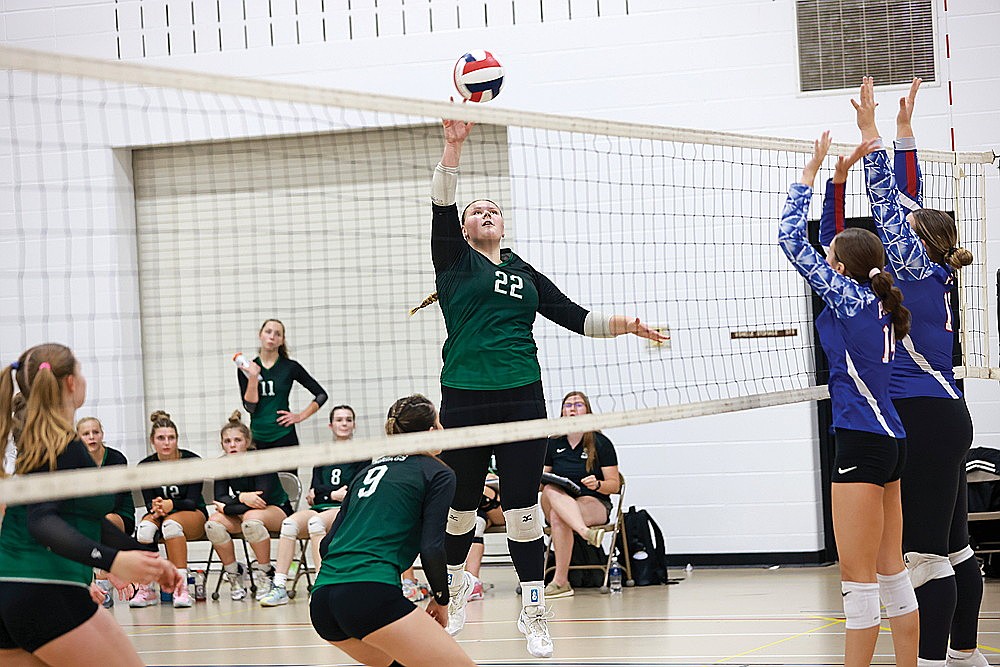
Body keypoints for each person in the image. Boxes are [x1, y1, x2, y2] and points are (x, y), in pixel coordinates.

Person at [417, 112, 667, 658]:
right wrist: (452, 147)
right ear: (464, 229)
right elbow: (440, 204)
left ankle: (533, 608)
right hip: (465, 394)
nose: (486, 213)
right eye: (476, 211)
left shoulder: (523, 271)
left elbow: (573, 315)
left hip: (522, 395)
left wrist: (625, 325)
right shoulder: (454, 264)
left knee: (523, 508)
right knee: (462, 508)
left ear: (503, 225)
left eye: (494, 209)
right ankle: (456, 593)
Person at [851, 76, 983, 667]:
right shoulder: (934, 269)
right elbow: (907, 205)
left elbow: (887, 199)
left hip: (925, 419)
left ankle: (931, 663)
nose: (890, 228)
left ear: (911, 241)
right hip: (948, 413)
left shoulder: (911, 267)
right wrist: (906, 134)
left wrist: (873, 134)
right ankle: (966, 655)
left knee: (926, 559)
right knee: (954, 553)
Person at [779, 132, 918, 667]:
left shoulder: (851, 298)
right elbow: (837, 242)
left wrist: (809, 175)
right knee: (892, 572)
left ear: (837, 268)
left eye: (830, 255)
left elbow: (793, 240)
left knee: (858, 582)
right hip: (890, 443)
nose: (825, 254)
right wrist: (840, 183)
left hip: (861, 444)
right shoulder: (877, 298)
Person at [0, 344, 181, 666]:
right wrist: (112, 562)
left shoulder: (41, 441)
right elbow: (42, 521)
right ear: (71, 382)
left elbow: (82, 519)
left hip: (13, 590)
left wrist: (145, 559)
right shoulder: (63, 446)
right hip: (46, 589)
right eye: (80, 371)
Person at [309, 394, 475, 667]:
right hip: (370, 594)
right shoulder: (437, 472)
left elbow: (327, 544)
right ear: (432, 431)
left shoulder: (367, 472)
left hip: (323, 602)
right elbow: (431, 547)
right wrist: (442, 599)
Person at [260, 405, 368, 607]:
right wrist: (331, 494)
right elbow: (314, 490)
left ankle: (321, 587)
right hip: (322, 506)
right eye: (339, 420)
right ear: (331, 425)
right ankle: (280, 585)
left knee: (316, 523)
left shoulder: (362, 454)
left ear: (354, 425)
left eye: (348, 419)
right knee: (289, 524)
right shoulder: (322, 454)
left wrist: (326, 494)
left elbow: (355, 491)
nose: (344, 423)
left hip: (346, 510)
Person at [205, 411, 292, 602]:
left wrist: (230, 505)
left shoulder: (260, 460)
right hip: (245, 512)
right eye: (227, 441)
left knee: (252, 520)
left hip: (276, 510)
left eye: (237, 440)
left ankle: (265, 574)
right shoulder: (222, 465)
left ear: (247, 442)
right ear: (222, 445)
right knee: (213, 523)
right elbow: (219, 498)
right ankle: (234, 573)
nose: (233, 445)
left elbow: (262, 499)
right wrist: (242, 498)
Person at [541, 391, 621, 599]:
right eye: (568, 405)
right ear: (562, 412)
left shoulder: (601, 443)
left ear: (587, 411)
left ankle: (561, 582)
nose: (573, 409)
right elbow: (541, 481)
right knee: (550, 489)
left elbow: (614, 485)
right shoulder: (553, 443)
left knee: (560, 518)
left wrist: (598, 484)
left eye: (578, 405)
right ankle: (586, 534)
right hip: (557, 497)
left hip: (591, 500)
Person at [132, 410, 209, 609]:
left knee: (171, 525)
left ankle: (181, 588)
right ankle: (145, 589)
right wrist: (156, 507)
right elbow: (149, 502)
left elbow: (192, 501)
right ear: (152, 441)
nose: (166, 443)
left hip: (193, 515)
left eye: (171, 438)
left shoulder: (191, 462)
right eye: (161, 438)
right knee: (145, 529)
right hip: (162, 515)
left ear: (177, 440)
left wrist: (171, 505)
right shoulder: (145, 466)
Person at [237, 319, 328, 452]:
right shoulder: (247, 368)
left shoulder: (290, 367)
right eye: (268, 332)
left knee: (287, 474)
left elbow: (321, 395)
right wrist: (253, 376)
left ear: (282, 340)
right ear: (260, 335)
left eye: (277, 334)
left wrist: (300, 416)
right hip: (258, 437)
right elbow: (250, 407)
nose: (272, 336)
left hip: (284, 436)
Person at [76, 417, 135, 608]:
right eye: (86, 434)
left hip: (119, 515)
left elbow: (114, 500)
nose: (92, 437)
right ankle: (96, 583)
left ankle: (102, 581)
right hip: (90, 516)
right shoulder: (76, 462)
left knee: (104, 521)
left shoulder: (116, 459)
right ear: (78, 438)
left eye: (95, 432)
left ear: (102, 434)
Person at [464, 468, 504, 602]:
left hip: (499, 507)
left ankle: (471, 582)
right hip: (474, 512)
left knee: (479, 491)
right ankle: (472, 581)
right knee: (477, 522)